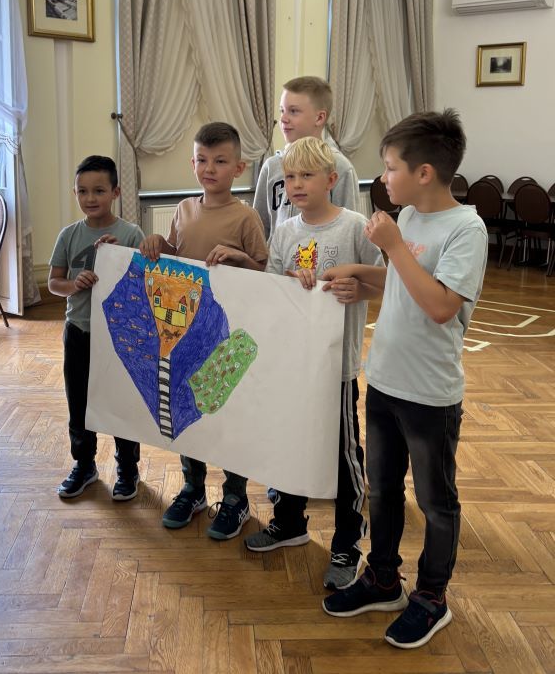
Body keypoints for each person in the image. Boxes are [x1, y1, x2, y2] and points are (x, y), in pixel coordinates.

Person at [322, 109, 488, 650]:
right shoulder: (410, 216)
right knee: (384, 490)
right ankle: (383, 580)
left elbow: (440, 306)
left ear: (424, 173)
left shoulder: (466, 229)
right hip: (385, 382)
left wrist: (392, 245)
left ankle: (432, 598)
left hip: (430, 395)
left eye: (390, 167)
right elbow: (401, 281)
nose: (383, 177)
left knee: (436, 502)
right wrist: (358, 275)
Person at [244, 137, 384, 593]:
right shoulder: (285, 231)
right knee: (291, 445)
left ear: (331, 179)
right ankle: (289, 521)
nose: (297, 185)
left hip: (335, 368)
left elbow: (383, 281)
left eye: (307, 175)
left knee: (344, 458)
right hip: (293, 364)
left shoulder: (354, 227)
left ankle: (347, 542)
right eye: (290, 177)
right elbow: (272, 289)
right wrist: (290, 282)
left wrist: (357, 288)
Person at [139, 122, 268, 540]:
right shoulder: (183, 209)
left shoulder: (246, 217)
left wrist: (238, 257)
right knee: (185, 410)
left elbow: (264, 271)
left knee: (229, 415)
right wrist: (158, 243)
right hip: (185, 334)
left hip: (225, 334)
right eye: (202, 160)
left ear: (239, 168)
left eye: (220, 161)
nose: (209, 168)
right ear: (192, 163)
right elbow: (175, 256)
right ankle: (192, 488)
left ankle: (235, 497)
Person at [49, 155, 144, 500]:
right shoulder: (69, 235)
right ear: (74, 193)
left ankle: (128, 469)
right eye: (83, 191)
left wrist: (119, 261)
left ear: (115, 192)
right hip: (79, 331)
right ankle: (84, 464)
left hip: (120, 335)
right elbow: (54, 283)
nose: (90, 198)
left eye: (99, 190)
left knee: (120, 403)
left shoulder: (130, 234)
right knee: (79, 403)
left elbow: (143, 283)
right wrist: (74, 284)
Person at [253, 76, 360, 242]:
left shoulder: (339, 166)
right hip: (276, 258)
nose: (283, 119)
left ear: (319, 118)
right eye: (282, 110)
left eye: (293, 111)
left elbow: (350, 231)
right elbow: (260, 227)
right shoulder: (271, 166)